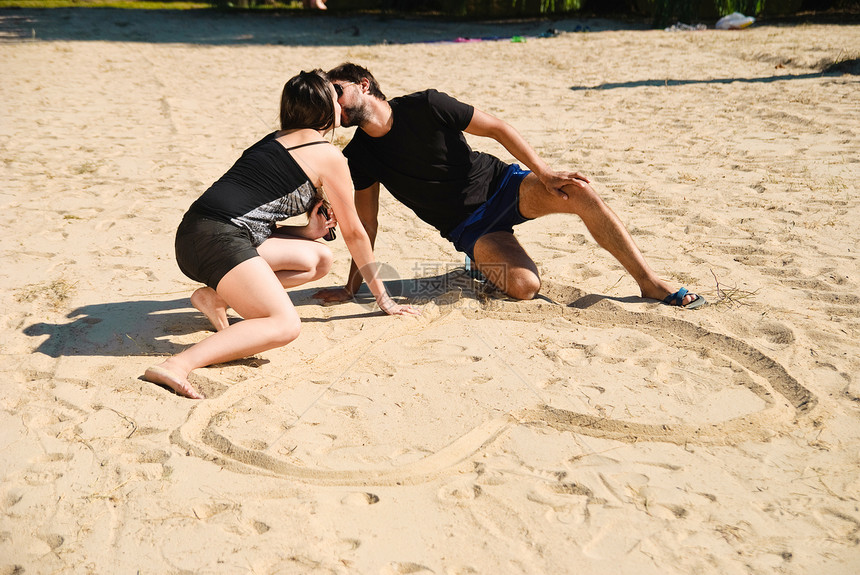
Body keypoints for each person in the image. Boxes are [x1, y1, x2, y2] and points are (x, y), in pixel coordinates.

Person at [315, 62, 705, 309]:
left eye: (338, 91)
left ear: (364, 84)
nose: (336, 103)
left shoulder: (426, 105)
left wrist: (546, 173)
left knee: (580, 191)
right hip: (468, 227)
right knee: (523, 287)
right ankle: (479, 263)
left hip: (501, 186)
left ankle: (649, 282)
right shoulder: (359, 158)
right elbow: (365, 225)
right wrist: (352, 289)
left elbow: (498, 129)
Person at [144, 69, 419, 400]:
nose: (340, 103)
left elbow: (247, 213)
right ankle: (178, 364)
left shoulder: (274, 139)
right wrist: (382, 298)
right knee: (284, 324)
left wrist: (306, 231)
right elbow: (356, 233)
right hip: (218, 240)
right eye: (335, 96)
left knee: (318, 259)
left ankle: (216, 297)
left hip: (194, 234)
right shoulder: (328, 155)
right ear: (324, 108)